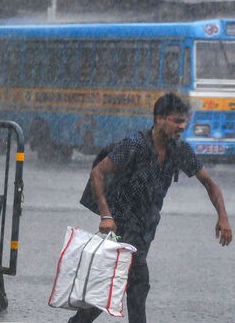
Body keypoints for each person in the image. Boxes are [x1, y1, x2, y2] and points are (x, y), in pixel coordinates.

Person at [68, 92, 232, 323]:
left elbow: (209, 182)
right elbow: (98, 173)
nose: (182, 126)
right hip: (120, 231)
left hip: (144, 233)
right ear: (160, 119)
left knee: (108, 294)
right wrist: (106, 215)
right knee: (135, 287)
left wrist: (222, 217)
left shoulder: (179, 151)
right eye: (177, 121)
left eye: (184, 121)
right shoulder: (134, 144)